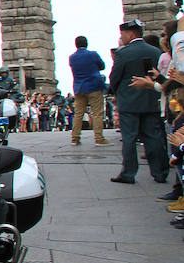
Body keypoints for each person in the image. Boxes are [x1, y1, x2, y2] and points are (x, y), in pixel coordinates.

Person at [108, 19, 168, 185]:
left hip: (129, 102)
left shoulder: (123, 53)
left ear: (130, 34)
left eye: (123, 34)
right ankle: (160, 172)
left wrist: (117, 92)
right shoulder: (156, 51)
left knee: (129, 138)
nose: (122, 37)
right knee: (153, 137)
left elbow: (114, 78)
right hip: (151, 100)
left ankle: (128, 173)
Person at [68, 34, 109, 146]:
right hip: (93, 86)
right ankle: (99, 138)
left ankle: (75, 138)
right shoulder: (93, 54)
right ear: (86, 43)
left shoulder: (72, 57)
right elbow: (102, 66)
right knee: (97, 113)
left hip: (78, 87)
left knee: (78, 113)